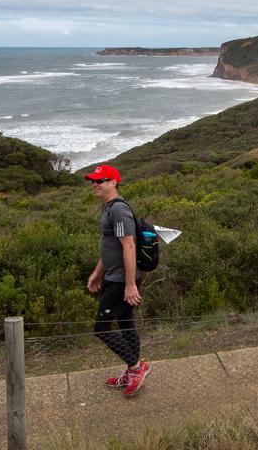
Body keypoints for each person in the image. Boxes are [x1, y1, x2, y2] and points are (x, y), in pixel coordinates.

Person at [85, 165, 151, 397]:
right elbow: (110, 246)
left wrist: (130, 284)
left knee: (101, 328)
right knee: (125, 322)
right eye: (93, 181)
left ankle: (136, 367)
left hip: (122, 280)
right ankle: (133, 369)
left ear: (113, 182)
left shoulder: (119, 210)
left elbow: (128, 246)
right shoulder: (108, 208)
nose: (95, 184)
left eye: (100, 180)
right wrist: (97, 272)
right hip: (113, 276)